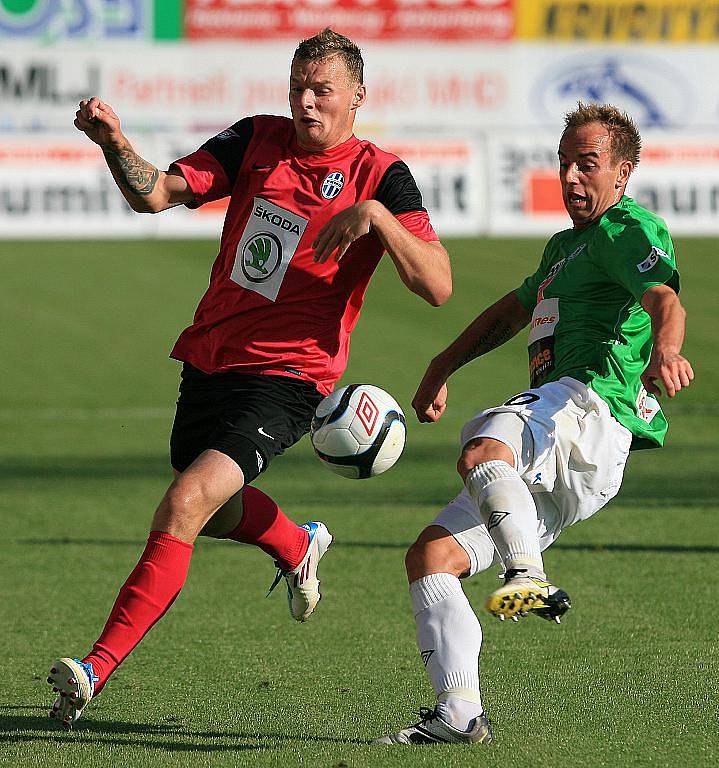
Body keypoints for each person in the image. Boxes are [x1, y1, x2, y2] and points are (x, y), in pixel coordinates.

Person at [46, 28, 451, 729]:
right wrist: (113, 141)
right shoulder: (256, 138)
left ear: (357, 95)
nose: (305, 102)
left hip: (289, 376)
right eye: (297, 86)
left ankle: (93, 670)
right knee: (206, 508)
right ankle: (298, 544)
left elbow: (438, 286)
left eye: (321, 89)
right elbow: (159, 194)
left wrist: (378, 218)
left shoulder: (380, 175)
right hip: (209, 356)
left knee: (184, 504)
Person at [376, 102, 693, 746]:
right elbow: (510, 312)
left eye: (589, 164)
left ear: (623, 172)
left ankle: (527, 575)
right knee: (431, 558)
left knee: (482, 445)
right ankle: (459, 715)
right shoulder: (563, 248)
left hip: (589, 408)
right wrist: (441, 363)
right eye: (565, 163)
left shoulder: (623, 228)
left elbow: (663, 296)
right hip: (570, 451)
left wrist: (666, 347)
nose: (573, 177)